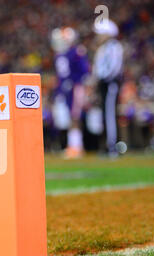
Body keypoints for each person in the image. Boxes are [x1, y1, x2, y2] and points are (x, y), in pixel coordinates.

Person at [50, 27, 90, 158]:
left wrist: (74, 82)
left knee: (75, 116)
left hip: (75, 88)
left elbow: (85, 72)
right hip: (64, 89)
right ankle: (72, 145)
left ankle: (76, 146)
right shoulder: (60, 55)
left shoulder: (76, 52)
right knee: (67, 118)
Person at [93, 19, 124, 156]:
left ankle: (112, 146)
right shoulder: (103, 48)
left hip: (110, 83)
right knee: (105, 114)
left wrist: (102, 78)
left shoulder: (114, 47)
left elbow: (113, 68)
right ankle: (107, 144)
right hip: (104, 83)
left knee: (110, 114)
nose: (98, 36)